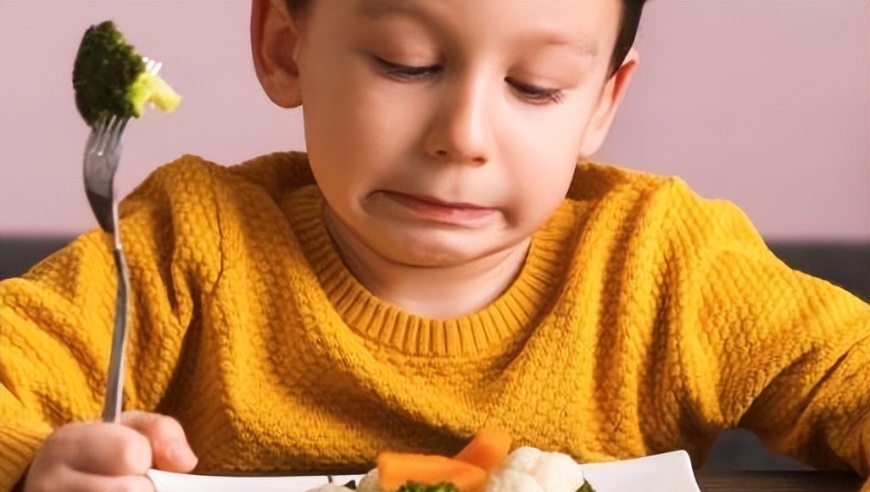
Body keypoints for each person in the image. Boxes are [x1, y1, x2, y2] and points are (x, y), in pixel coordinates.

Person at [2, 0, 869, 491]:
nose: (463, 136)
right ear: (284, 48)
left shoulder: (665, 265)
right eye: (407, 64)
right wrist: (39, 465)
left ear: (601, 104)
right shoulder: (190, 242)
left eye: (536, 88)